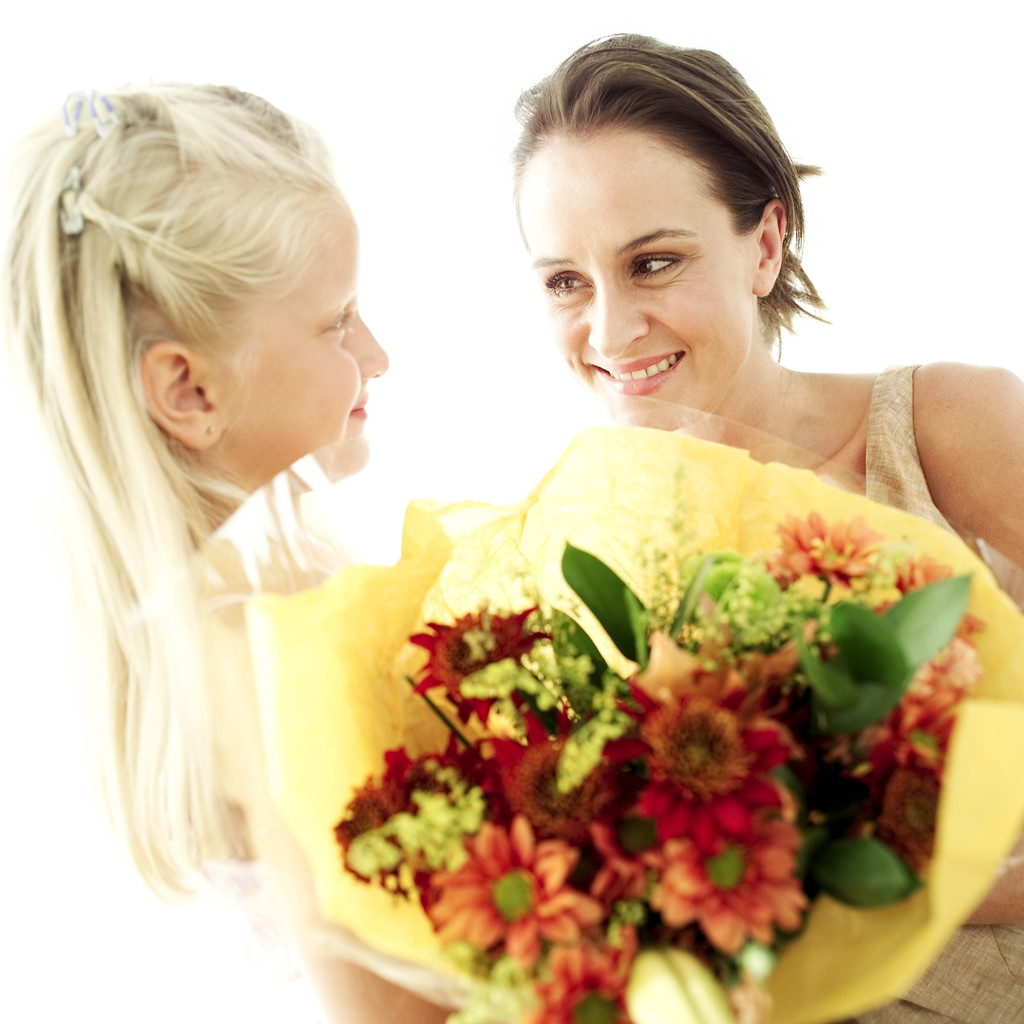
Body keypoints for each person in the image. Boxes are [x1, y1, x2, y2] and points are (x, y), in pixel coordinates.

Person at [510, 33, 1024, 1024]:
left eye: (652, 263)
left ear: (765, 242)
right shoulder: (580, 567)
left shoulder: (942, 429)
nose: (610, 332)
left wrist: (981, 878)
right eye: (564, 282)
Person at [0, 84, 448, 1023]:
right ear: (190, 391)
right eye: (337, 320)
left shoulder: (229, 595)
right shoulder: (265, 648)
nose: (378, 353)